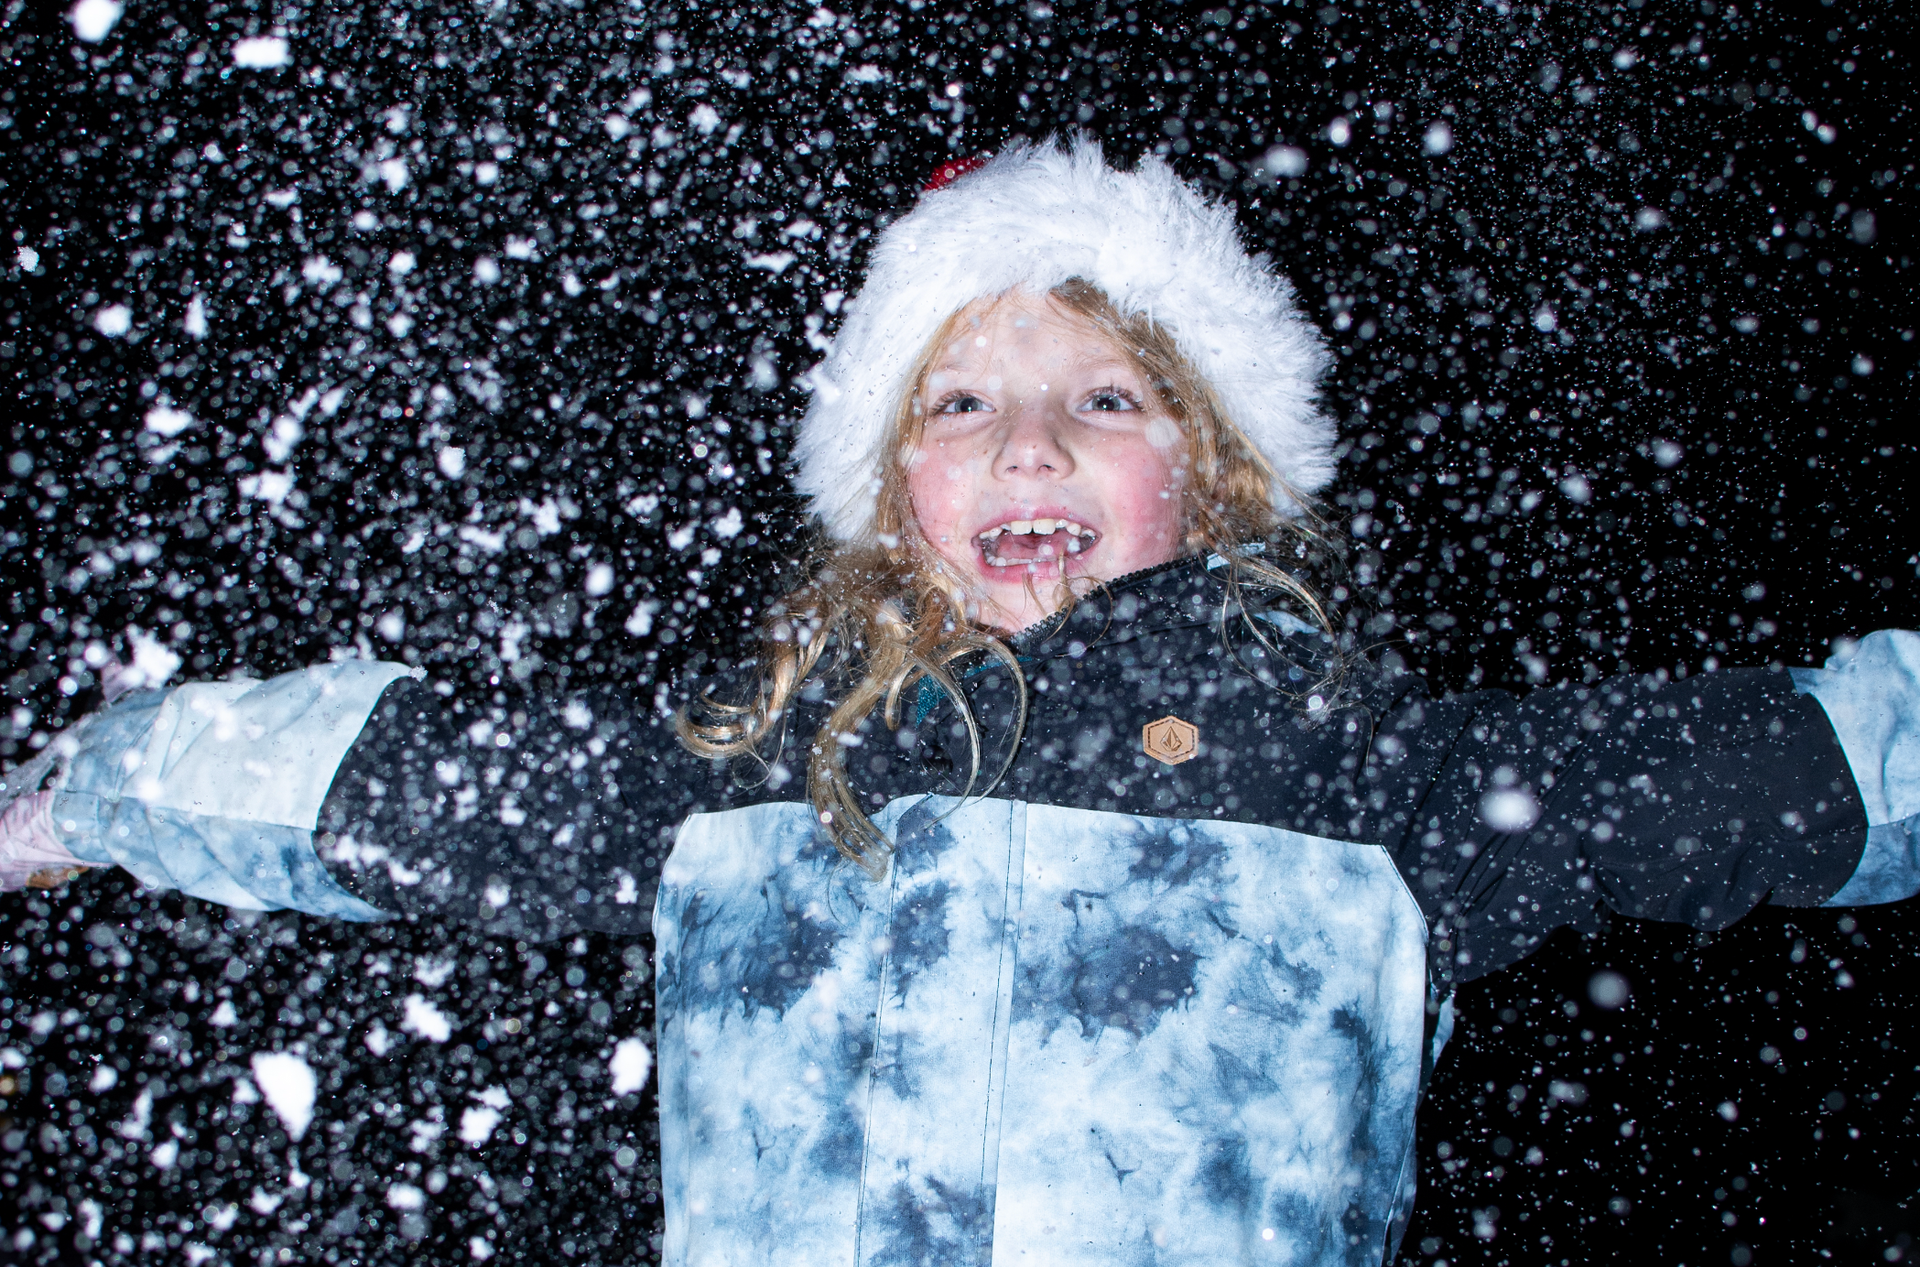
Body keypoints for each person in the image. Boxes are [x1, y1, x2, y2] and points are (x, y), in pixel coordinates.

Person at [2, 138, 1915, 1267]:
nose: (1028, 439)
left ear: (1217, 475)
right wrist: (90, 786)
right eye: (959, 400)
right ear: (891, 492)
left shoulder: (1363, 778)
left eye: (1107, 396)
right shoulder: (757, 772)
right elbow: (416, 782)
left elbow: (1780, 771)